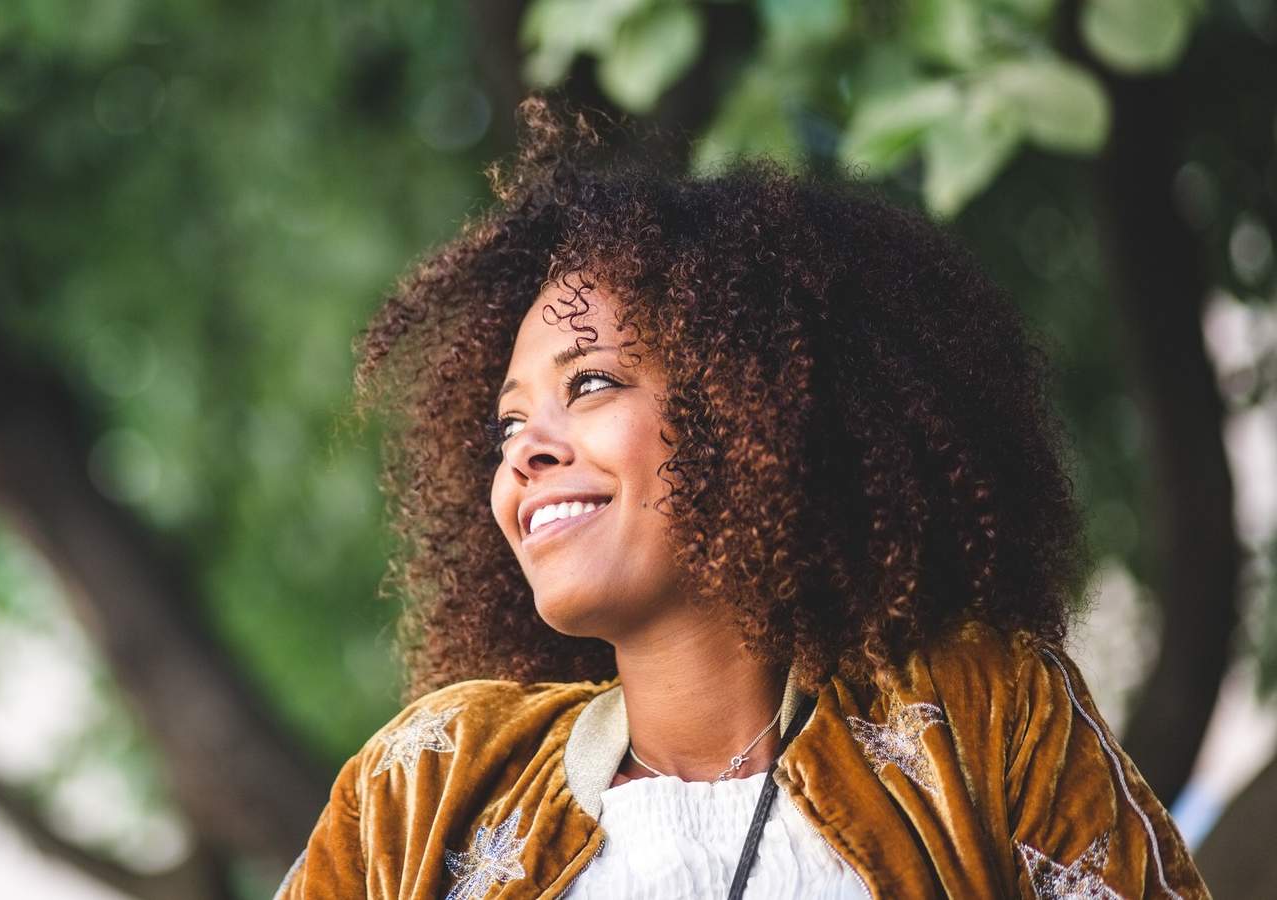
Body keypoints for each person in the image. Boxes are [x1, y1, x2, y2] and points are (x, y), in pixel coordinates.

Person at [275, 95, 1211, 899]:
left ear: (748, 401)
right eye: (505, 428)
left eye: (591, 383)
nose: (527, 454)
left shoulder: (980, 720)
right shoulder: (428, 787)